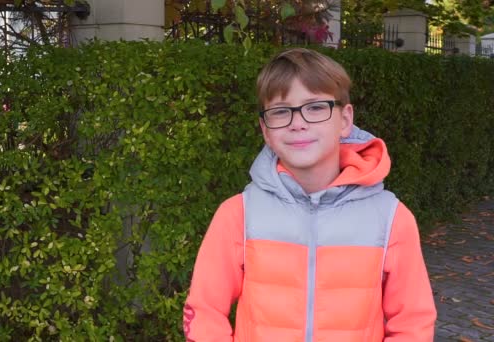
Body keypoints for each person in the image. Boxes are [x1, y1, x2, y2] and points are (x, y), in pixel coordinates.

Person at [182, 48, 436, 341]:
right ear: (265, 129)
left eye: (315, 107)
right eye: (280, 111)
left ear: (345, 119)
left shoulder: (391, 218)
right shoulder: (238, 214)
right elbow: (205, 311)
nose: (298, 122)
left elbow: (413, 322)